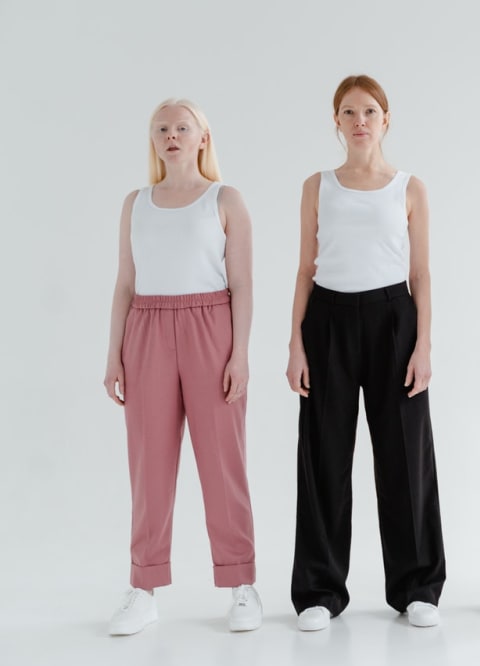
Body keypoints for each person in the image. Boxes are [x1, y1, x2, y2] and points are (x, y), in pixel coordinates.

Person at [286, 75, 446, 631]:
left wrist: (423, 344)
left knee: (406, 457)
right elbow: (305, 269)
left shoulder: (409, 187)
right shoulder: (317, 186)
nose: (360, 121)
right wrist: (295, 343)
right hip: (328, 319)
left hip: (393, 320)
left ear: (386, 119)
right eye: (349, 112)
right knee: (324, 456)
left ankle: (417, 586)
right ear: (337, 121)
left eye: (370, 111)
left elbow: (421, 273)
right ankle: (318, 591)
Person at [103, 99, 261, 635]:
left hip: (210, 327)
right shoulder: (136, 203)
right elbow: (126, 282)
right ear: (154, 140)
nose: (172, 135)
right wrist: (113, 354)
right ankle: (143, 588)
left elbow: (241, 283)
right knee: (148, 466)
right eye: (161, 128)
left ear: (202, 137)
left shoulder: (225, 199)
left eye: (182, 127)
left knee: (224, 462)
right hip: (145, 330)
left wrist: (239, 352)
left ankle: (241, 583)